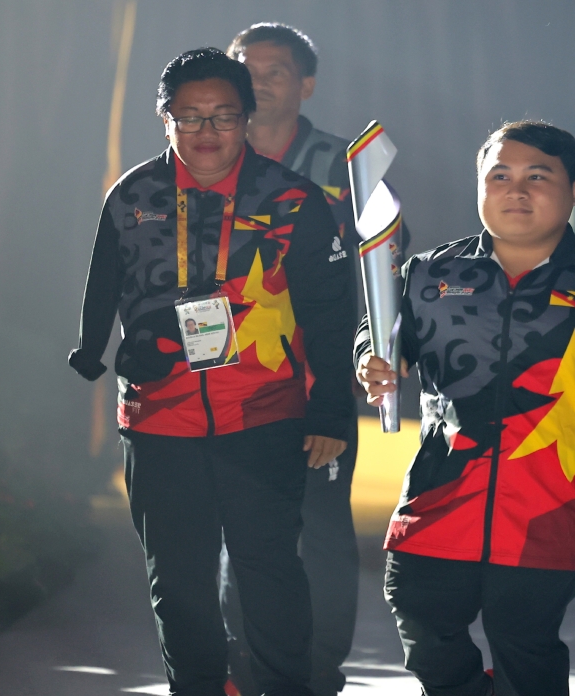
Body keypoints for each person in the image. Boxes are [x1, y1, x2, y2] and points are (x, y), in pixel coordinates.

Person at [356, 121, 575, 696]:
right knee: (419, 614)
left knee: (523, 639)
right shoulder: (431, 273)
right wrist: (373, 359)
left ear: (574, 192)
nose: (516, 191)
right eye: (500, 177)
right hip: (440, 491)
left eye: (538, 177)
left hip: (550, 501)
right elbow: (380, 332)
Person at [68, 48, 356, 696]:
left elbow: (329, 313)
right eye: (189, 116)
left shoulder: (293, 199)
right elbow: (102, 282)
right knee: (177, 580)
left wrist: (331, 410)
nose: (207, 132)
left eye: (223, 116)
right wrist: (91, 349)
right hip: (158, 417)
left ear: (246, 118)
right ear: (165, 117)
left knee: (269, 571)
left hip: (263, 416)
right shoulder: (133, 195)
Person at [222, 24, 369, 696]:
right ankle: (245, 673)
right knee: (240, 529)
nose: (256, 82)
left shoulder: (349, 166)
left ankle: (318, 672)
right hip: (228, 380)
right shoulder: (203, 156)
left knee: (323, 533)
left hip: (319, 381)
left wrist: (370, 354)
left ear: (305, 85)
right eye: (244, 69)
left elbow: (385, 266)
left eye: (274, 71)